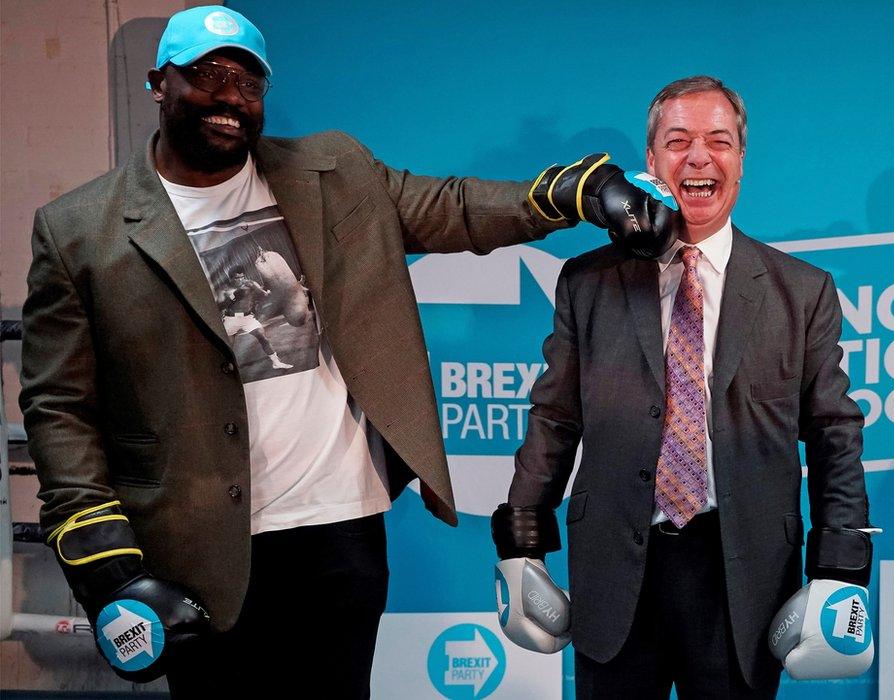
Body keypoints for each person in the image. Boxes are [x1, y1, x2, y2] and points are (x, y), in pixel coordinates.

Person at [17, 5, 676, 696]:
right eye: (209, 76)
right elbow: (58, 408)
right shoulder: (80, 231)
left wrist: (573, 190)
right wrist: (107, 564)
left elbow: (455, 206)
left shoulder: (334, 170)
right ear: (160, 83)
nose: (230, 99)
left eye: (249, 84)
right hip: (199, 544)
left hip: (341, 530)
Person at [491, 75, 876, 698]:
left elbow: (835, 432)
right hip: (615, 568)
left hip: (743, 575)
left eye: (718, 141)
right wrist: (522, 537)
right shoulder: (587, 282)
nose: (698, 156)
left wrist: (842, 565)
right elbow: (555, 416)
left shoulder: (802, 292)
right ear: (651, 161)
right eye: (679, 141)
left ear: (741, 160)